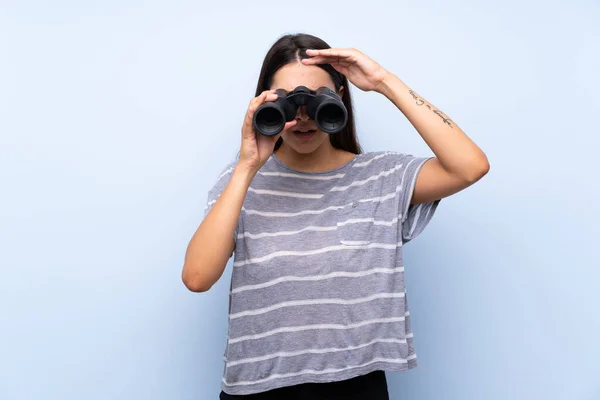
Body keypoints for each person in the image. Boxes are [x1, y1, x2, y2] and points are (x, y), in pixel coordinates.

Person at [182, 33, 489, 399]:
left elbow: (470, 166)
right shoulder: (241, 183)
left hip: (357, 387)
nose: (302, 116)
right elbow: (197, 278)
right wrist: (248, 167)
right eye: (287, 100)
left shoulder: (380, 178)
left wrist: (384, 82)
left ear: (339, 96)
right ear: (264, 102)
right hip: (259, 388)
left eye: (316, 99)